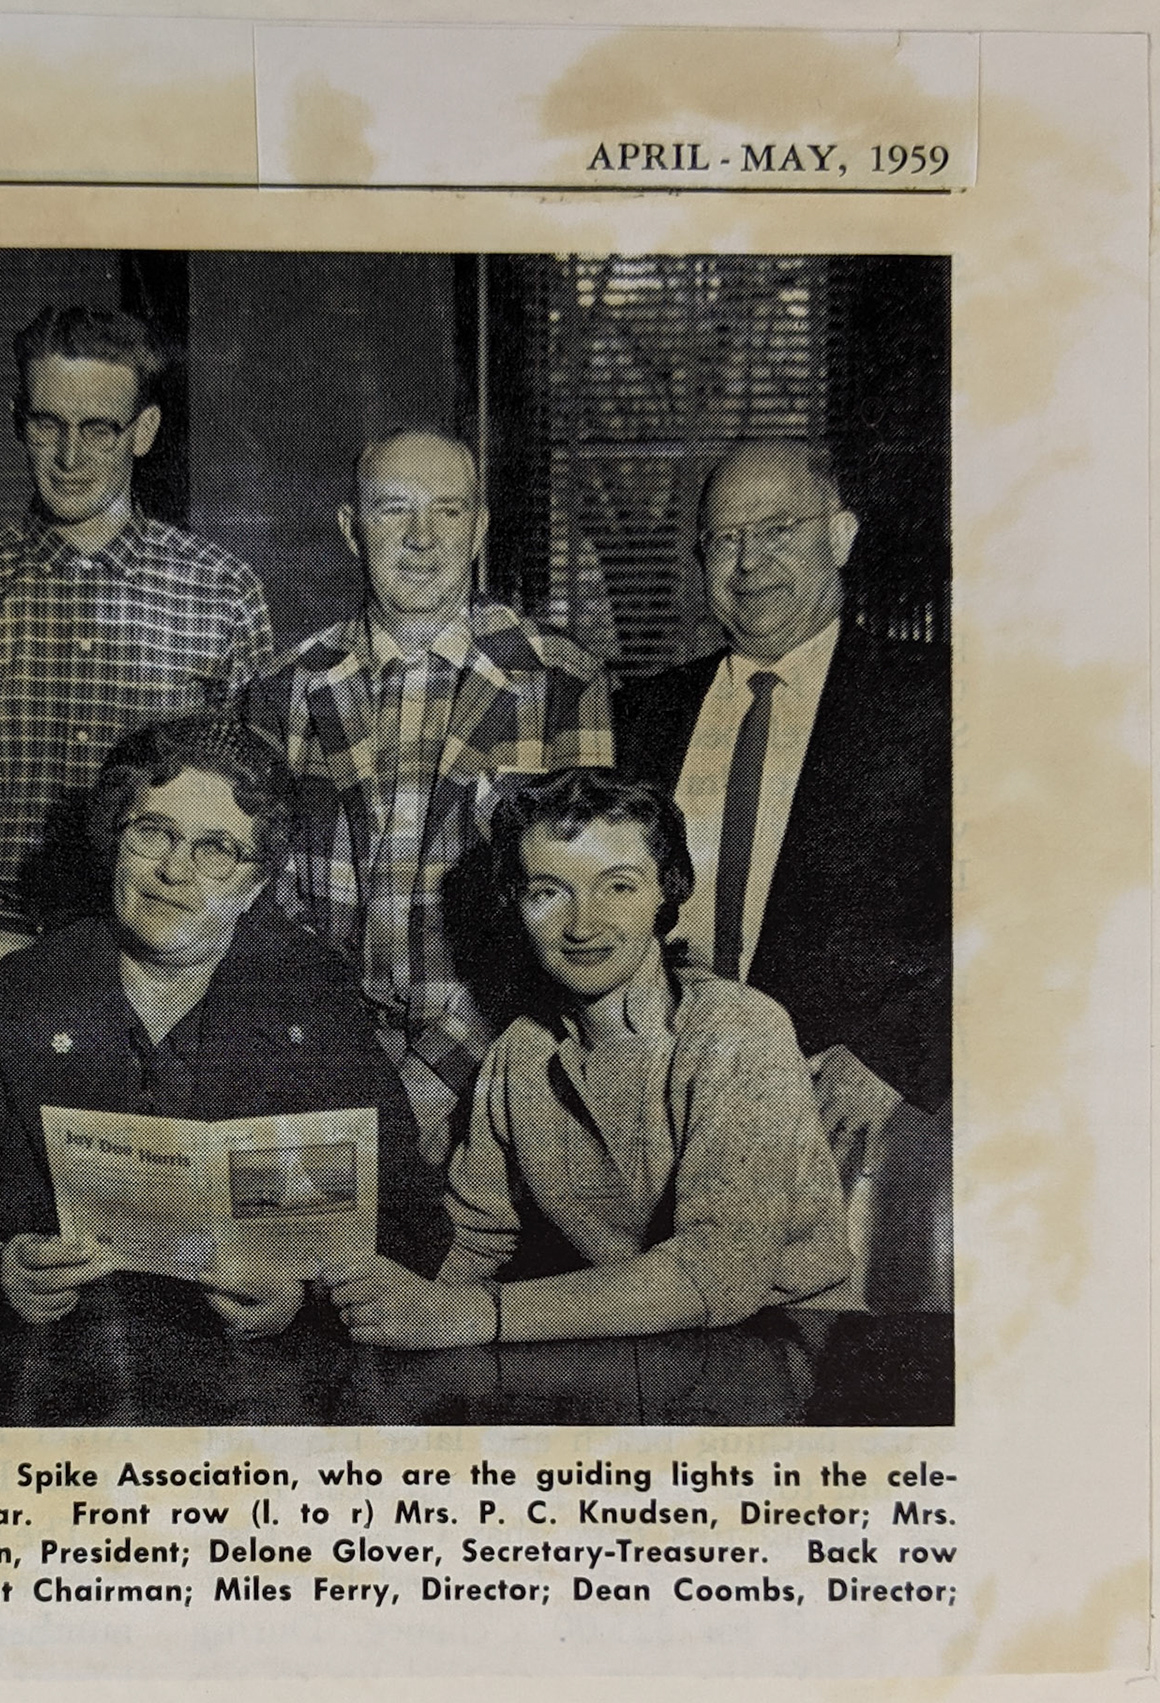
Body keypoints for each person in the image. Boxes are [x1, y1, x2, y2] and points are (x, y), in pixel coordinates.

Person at [0, 714, 445, 1338]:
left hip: (255, 1381)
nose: (175, 871)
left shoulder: (312, 995)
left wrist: (305, 1293)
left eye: (216, 850)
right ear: (113, 843)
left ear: (255, 884)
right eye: (154, 833)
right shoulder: (26, 992)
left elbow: (409, 1223)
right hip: (63, 1362)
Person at [0, 306, 274, 1067]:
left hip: (171, 979)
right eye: (48, 424)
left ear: (143, 430)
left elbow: (257, 839)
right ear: (18, 421)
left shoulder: (223, 594)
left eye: (100, 428)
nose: (71, 455)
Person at [326, 769, 849, 1348]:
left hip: (779, 1350)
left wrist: (480, 1316)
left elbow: (718, 1268)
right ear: (516, 905)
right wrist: (387, 1300)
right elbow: (475, 1236)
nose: (582, 924)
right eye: (548, 891)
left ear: (665, 893)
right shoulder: (518, 1055)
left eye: (618, 887)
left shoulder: (740, 1032)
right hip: (623, 1345)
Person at [244, 428, 612, 1165]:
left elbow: (580, 915)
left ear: (478, 528)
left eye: (448, 511)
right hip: (323, 1074)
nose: (421, 538)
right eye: (392, 510)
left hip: (507, 1073)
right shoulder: (283, 689)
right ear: (352, 530)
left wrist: (440, 1077)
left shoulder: (562, 681)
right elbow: (259, 914)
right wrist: (348, 1080)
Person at [612, 439, 951, 1147]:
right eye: (725, 540)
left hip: (841, 1115)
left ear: (840, 534)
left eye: (776, 531)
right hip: (657, 1105)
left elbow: (1027, 905)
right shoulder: (643, 716)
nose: (749, 562)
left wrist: (895, 1054)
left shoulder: (937, 700)